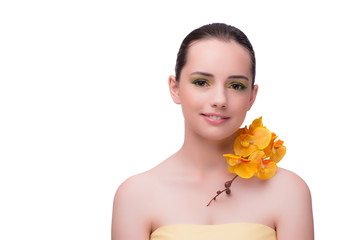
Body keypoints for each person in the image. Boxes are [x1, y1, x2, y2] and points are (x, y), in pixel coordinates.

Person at [111, 23, 314, 240]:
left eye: (236, 86)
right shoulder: (135, 195)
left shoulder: (289, 192)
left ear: (252, 97)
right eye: (201, 82)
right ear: (175, 88)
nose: (219, 100)